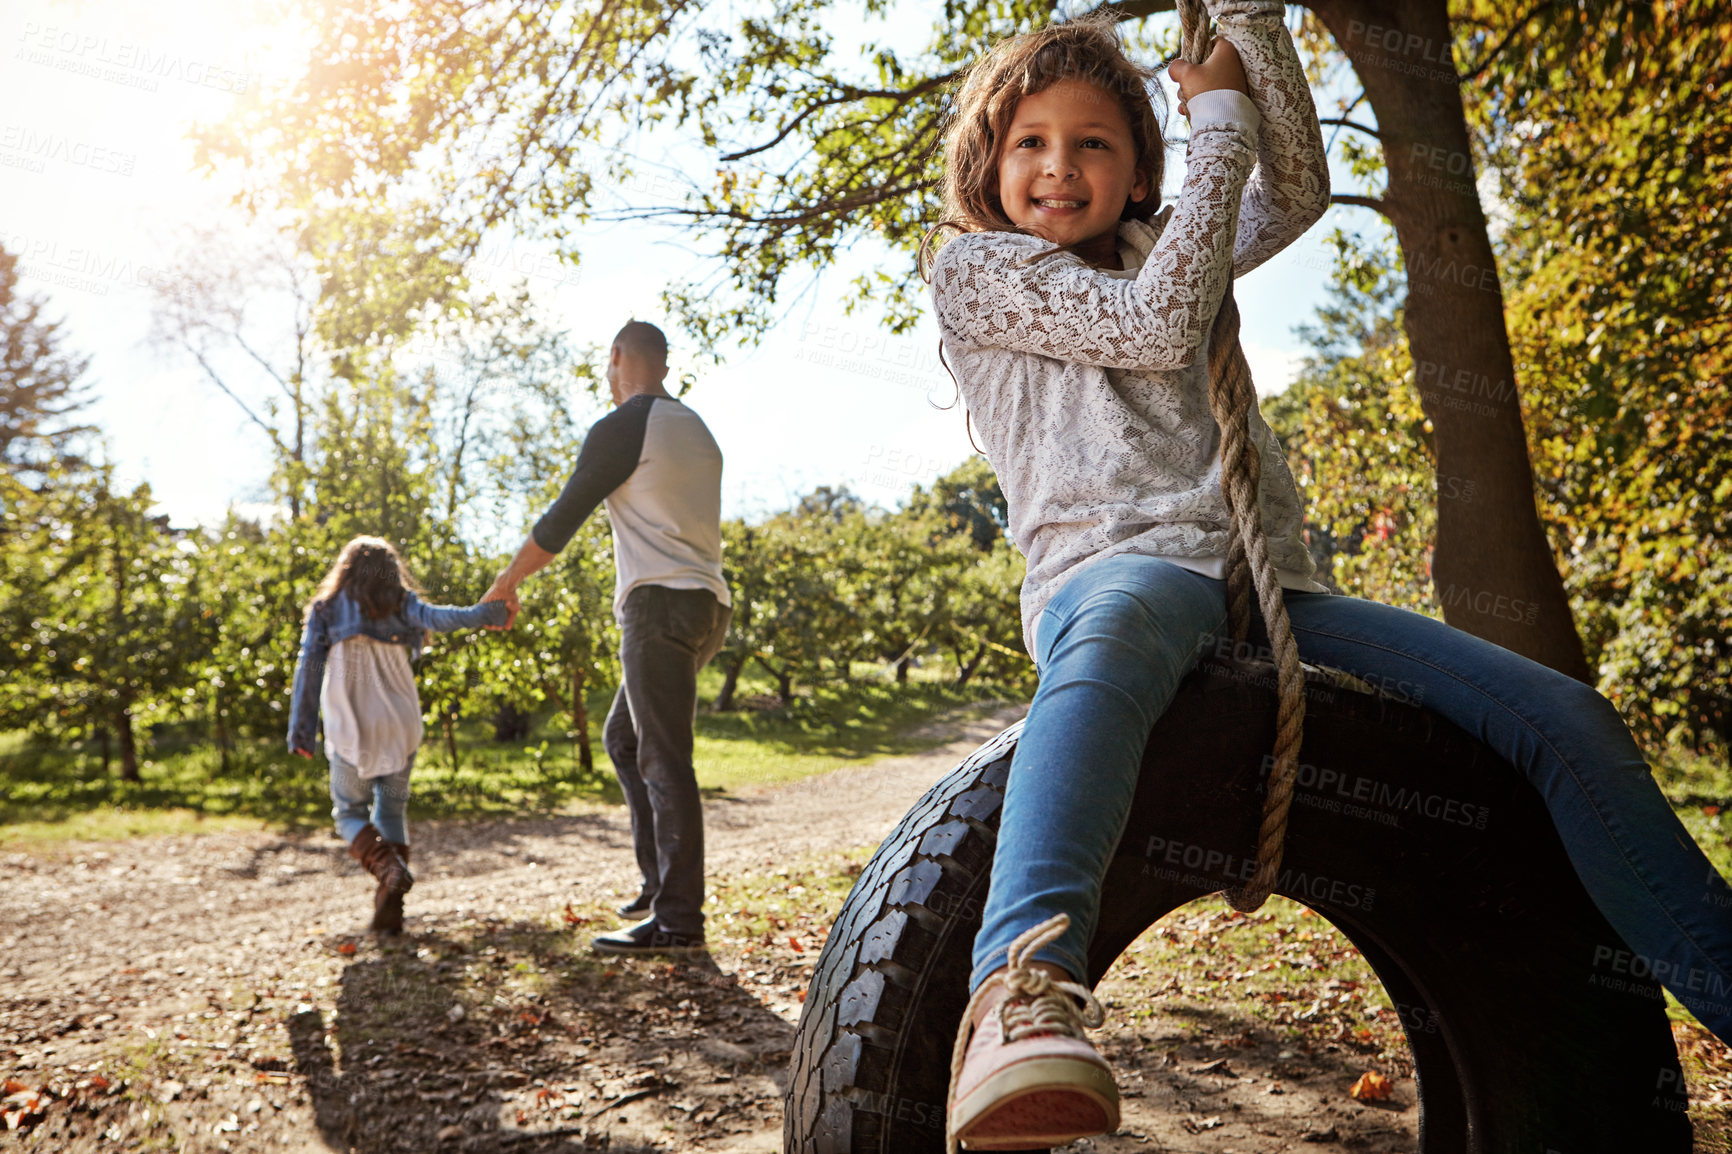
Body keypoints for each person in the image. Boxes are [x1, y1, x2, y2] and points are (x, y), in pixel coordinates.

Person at [922, 5, 1732, 1150]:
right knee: (1106, 652)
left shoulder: (1171, 239)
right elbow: (1156, 328)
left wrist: (1251, 25)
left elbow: (1292, 190)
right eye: (1032, 142)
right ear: (988, 162)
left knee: (1561, 715)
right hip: (1117, 572)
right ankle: (1019, 991)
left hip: (1277, 594)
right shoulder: (976, 268)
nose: (1061, 166)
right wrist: (1214, 123)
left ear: (1139, 165)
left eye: (1095, 141)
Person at [483, 320, 732, 957]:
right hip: (707, 606)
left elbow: (562, 518)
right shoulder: (695, 427)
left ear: (616, 357)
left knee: (663, 758)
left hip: (657, 606)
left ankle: (678, 920)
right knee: (624, 739)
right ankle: (658, 887)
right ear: (666, 363)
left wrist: (506, 583)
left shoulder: (623, 425)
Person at [287, 536, 508, 935]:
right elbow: (443, 618)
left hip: (352, 725)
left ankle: (389, 869)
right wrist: (485, 613)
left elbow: (309, 670)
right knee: (390, 811)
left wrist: (301, 731)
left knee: (349, 812)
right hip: (401, 721)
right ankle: (391, 909)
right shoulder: (403, 604)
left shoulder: (325, 610)